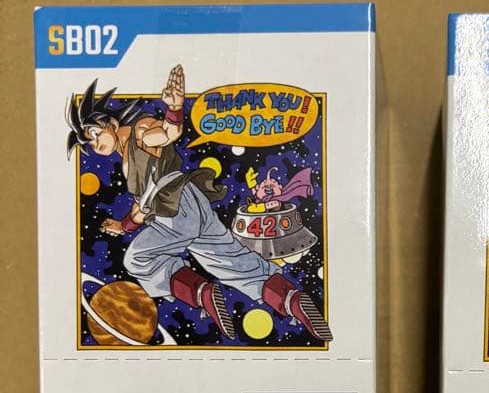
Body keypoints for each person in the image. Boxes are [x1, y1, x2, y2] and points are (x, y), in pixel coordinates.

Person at [67, 67, 331, 342]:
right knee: (232, 262)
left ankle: (200, 292)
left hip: (175, 209)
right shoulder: (128, 158)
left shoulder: (139, 132)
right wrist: (123, 226)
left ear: (110, 122)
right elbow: (141, 210)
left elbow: (167, 133)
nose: (95, 144)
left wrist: (174, 109)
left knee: (137, 259)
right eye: (89, 143)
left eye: (94, 133)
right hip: (191, 203)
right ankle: (291, 300)